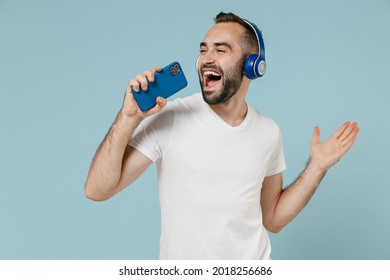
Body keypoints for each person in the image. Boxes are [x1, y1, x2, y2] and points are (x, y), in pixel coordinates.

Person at [84, 12, 360, 259]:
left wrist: (317, 167)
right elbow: (97, 190)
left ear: (252, 65)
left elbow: (273, 219)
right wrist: (127, 117)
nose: (206, 59)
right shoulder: (169, 117)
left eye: (221, 50)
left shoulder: (268, 132)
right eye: (203, 50)